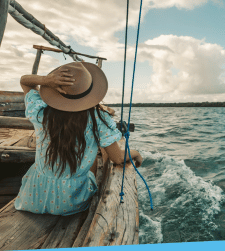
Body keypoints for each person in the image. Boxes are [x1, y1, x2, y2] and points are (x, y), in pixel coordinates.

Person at [15, 61, 142, 216]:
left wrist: (46, 80)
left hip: (33, 197)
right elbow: (118, 158)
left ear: (56, 90)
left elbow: (24, 81)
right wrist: (135, 152)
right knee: (93, 157)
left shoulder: (40, 112)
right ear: (90, 94)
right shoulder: (98, 119)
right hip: (70, 202)